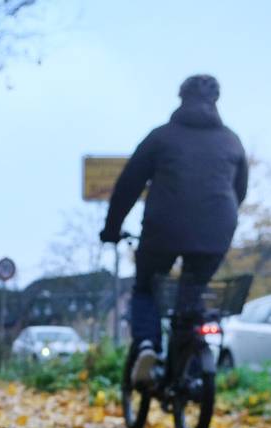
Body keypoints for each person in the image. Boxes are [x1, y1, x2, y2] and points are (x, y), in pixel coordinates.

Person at [100, 75, 248, 384]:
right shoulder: (232, 141)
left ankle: (146, 346)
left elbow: (128, 186)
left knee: (145, 288)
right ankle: (188, 365)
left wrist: (111, 230)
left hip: (163, 230)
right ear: (215, 101)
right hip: (216, 231)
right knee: (190, 297)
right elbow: (240, 192)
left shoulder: (161, 137)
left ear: (181, 98)